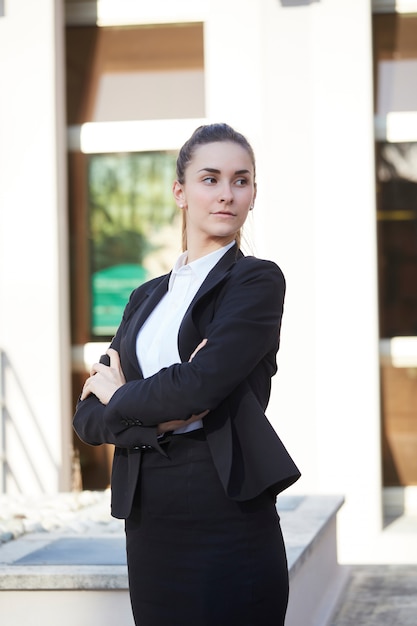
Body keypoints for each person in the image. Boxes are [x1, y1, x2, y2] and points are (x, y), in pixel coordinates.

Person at [73, 122, 300, 626]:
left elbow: (200, 386)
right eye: (210, 178)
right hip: (149, 514)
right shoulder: (147, 296)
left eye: (241, 180)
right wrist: (164, 405)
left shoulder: (255, 280)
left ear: (253, 193)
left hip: (224, 509)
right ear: (180, 191)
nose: (226, 194)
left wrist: (124, 395)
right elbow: (88, 419)